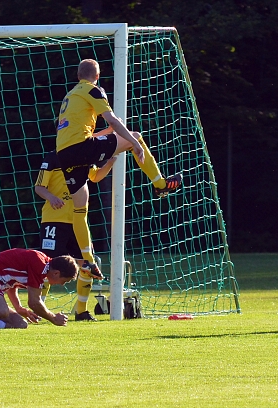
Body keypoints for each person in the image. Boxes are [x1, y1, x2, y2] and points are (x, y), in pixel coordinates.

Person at [54, 59, 183, 278]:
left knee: (80, 207)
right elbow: (112, 120)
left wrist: (107, 134)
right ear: (97, 76)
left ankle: (88, 260)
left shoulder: (70, 96)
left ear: (78, 76)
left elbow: (86, 135)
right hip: (80, 148)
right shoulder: (94, 90)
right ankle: (161, 184)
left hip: (64, 154)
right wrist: (131, 143)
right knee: (136, 137)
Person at [34, 150, 116, 321]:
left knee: (86, 264)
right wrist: (51, 197)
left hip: (79, 223)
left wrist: (110, 162)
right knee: (47, 264)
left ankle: (81, 311)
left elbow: (95, 177)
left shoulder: (83, 156)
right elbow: (39, 187)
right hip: (54, 220)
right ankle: (38, 308)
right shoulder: (52, 158)